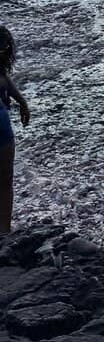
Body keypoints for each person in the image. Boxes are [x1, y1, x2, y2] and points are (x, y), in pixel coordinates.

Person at [0, 27, 30, 234]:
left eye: (5, 48)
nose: (4, 51)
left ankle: (4, 230)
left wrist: (22, 101)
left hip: (2, 130)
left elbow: (5, 80)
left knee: (5, 180)